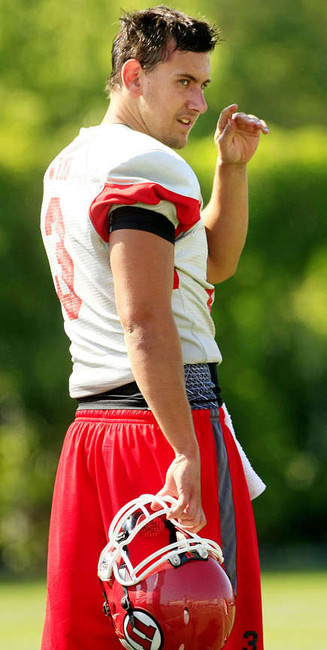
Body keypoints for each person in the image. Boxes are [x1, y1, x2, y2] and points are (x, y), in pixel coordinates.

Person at [40, 5, 269, 649]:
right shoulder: (146, 163)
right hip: (168, 423)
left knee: (91, 634)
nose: (198, 101)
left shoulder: (70, 162)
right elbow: (145, 321)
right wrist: (185, 452)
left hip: (93, 432)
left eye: (204, 83)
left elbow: (212, 263)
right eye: (184, 82)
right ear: (135, 75)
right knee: (208, 634)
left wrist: (232, 169)